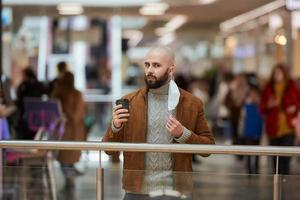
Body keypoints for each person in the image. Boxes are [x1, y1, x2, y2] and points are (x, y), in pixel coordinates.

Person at [102, 46, 215, 200]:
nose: (150, 70)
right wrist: (115, 127)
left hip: (174, 192)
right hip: (136, 191)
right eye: (147, 65)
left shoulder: (191, 103)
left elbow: (208, 147)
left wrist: (183, 134)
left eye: (156, 65)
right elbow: (108, 150)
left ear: (171, 70)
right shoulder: (130, 101)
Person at [260, 63, 300, 174]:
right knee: (274, 157)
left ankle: (284, 177)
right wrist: (268, 105)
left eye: (279, 73)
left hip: (288, 126)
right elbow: (262, 108)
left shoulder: (292, 86)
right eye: (275, 73)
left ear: (284, 73)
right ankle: (277, 179)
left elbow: (298, 102)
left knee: (286, 155)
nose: (277, 75)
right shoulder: (268, 88)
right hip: (273, 127)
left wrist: (294, 107)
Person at [51, 72, 86, 188]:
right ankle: (69, 177)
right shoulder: (70, 94)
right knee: (66, 155)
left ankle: (69, 177)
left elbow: (76, 114)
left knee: (66, 155)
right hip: (69, 130)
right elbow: (78, 114)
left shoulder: (60, 93)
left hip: (68, 130)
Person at [242, 86, 263, 175]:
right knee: (249, 150)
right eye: (252, 95)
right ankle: (249, 167)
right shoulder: (246, 106)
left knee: (258, 150)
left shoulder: (261, 107)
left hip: (258, 131)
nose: (254, 97)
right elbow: (242, 119)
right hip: (248, 131)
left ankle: (256, 167)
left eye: (255, 95)